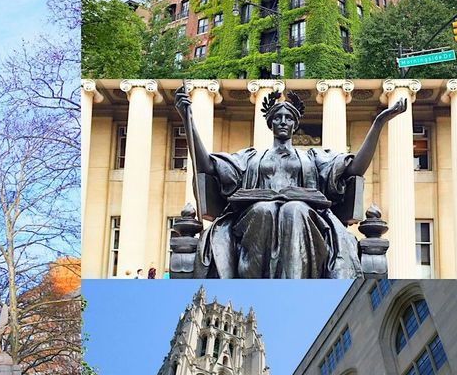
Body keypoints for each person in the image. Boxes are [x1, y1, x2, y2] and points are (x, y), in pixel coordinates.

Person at [174, 86, 406, 278]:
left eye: (288, 118)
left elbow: (355, 168)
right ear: (270, 123)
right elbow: (207, 166)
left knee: (294, 210)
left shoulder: (313, 158)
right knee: (264, 210)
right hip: (254, 215)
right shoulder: (251, 158)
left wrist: (378, 123)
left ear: (295, 125)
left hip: (305, 216)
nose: (283, 121)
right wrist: (188, 120)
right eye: (277, 118)